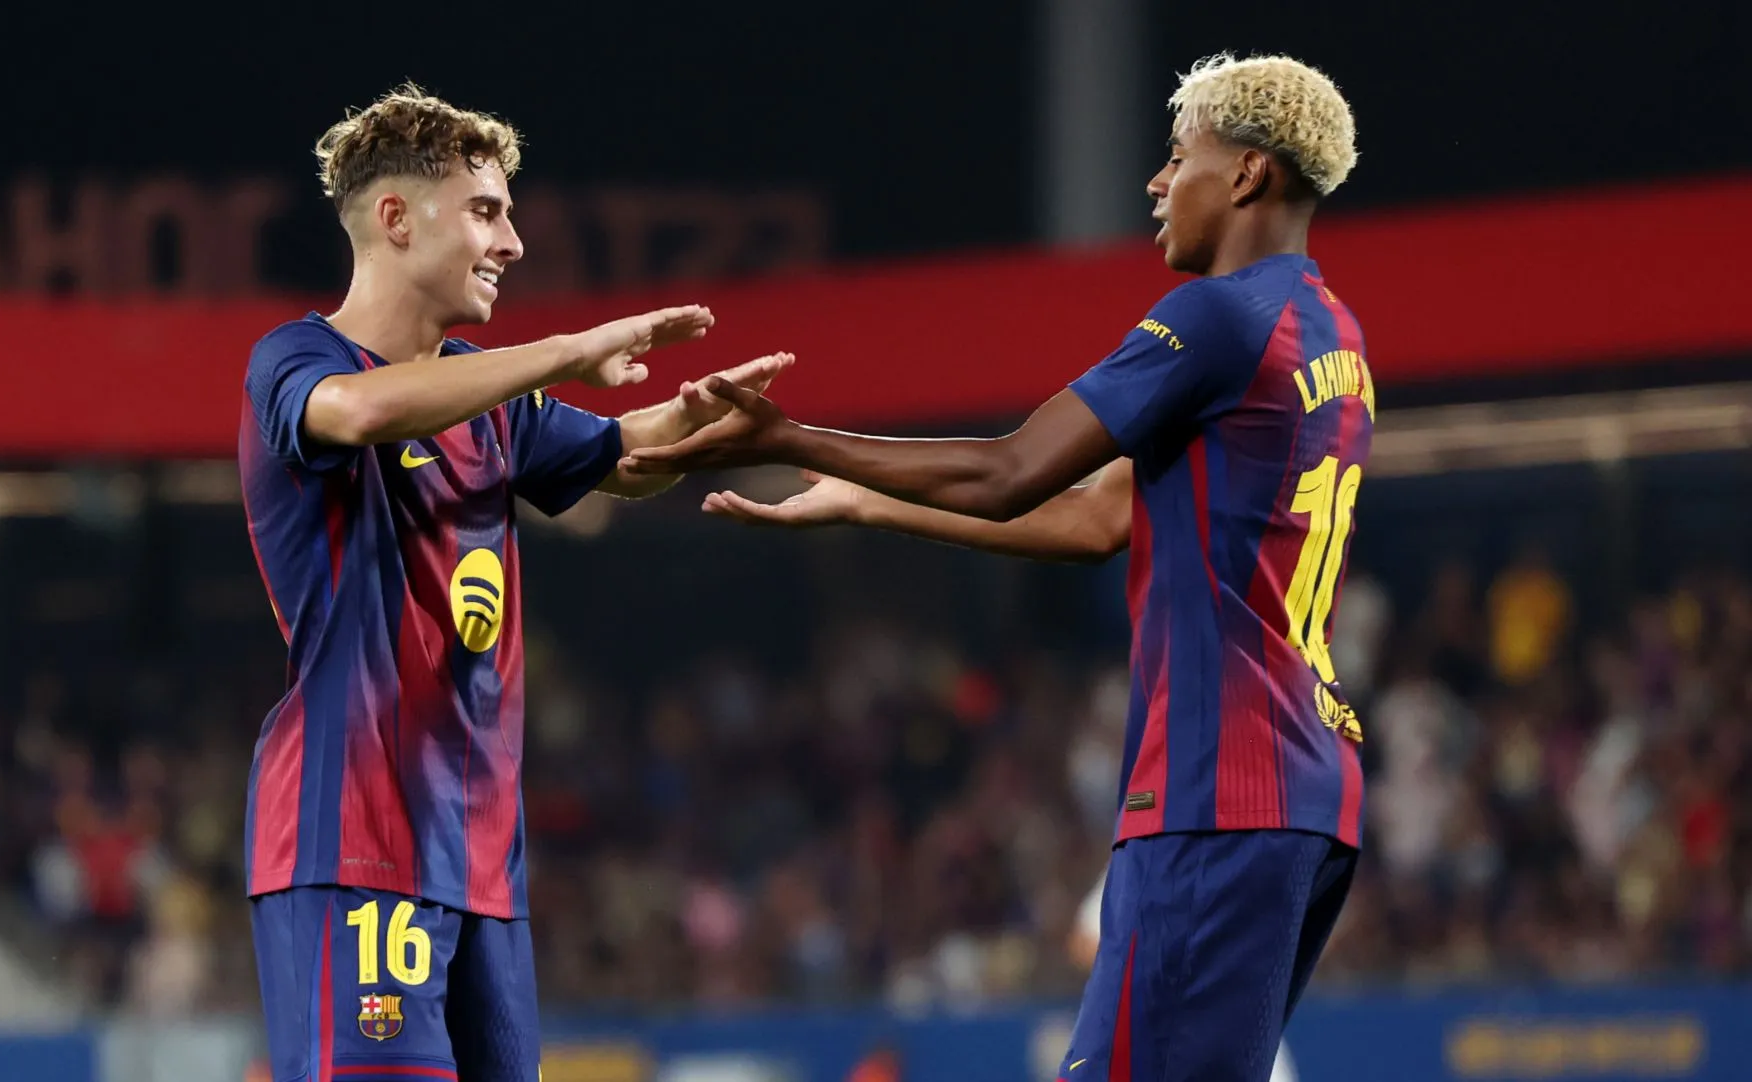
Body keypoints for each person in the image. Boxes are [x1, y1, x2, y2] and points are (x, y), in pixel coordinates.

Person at [622, 52, 1367, 1082]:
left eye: (1177, 155)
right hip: (1310, 792)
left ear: (1245, 173)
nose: (1157, 183)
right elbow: (1099, 518)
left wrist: (786, 437)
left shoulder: (1216, 318)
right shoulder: (1331, 334)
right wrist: (874, 501)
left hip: (1216, 788)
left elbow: (1012, 469)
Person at [239, 84, 792, 1082]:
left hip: (482, 861)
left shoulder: (494, 402)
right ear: (397, 219)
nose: (515, 242)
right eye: (488, 210)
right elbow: (361, 413)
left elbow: (623, 454)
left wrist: (705, 420)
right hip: (351, 839)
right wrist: (569, 352)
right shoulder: (297, 358)